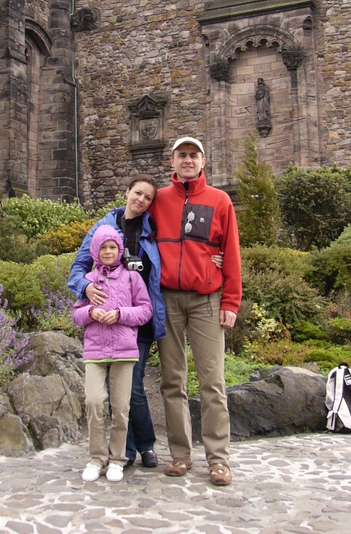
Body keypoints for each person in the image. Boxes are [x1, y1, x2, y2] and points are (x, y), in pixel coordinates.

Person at [151, 136, 242, 487]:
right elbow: (131, 230)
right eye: (181, 155)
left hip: (206, 300)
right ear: (172, 162)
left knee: (212, 382)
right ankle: (180, 454)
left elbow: (230, 252)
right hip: (168, 300)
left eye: (194, 155)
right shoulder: (157, 200)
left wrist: (230, 301)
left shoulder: (220, 200)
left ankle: (218, 460)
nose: (187, 160)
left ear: (203, 162)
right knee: (172, 380)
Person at [68, 175, 165, 469]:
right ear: (127, 193)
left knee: (132, 387)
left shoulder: (154, 228)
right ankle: (127, 450)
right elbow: (79, 267)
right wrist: (84, 289)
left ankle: (143, 445)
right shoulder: (105, 227)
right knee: (117, 391)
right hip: (107, 326)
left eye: (148, 197)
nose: (141, 200)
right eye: (138, 193)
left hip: (140, 318)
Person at [71, 225, 153, 482]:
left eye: (113, 247)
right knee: (94, 402)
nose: (108, 251)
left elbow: (145, 310)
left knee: (120, 407)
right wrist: (90, 313)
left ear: (119, 249)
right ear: (96, 249)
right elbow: (76, 314)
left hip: (124, 350)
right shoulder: (89, 280)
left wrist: (119, 315)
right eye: (103, 247)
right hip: (95, 350)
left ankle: (117, 458)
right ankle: (96, 458)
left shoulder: (131, 278)